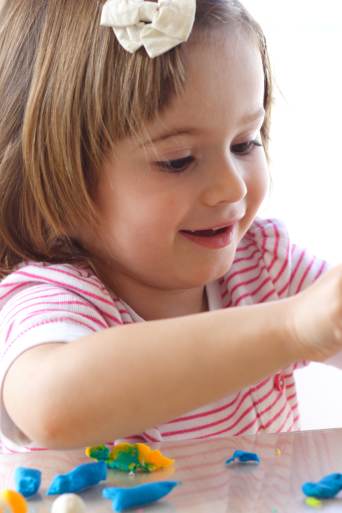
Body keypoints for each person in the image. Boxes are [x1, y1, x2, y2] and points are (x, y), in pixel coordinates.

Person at [0, 0, 341, 454]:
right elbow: (52, 407)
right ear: (57, 182)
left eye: (245, 143)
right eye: (177, 161)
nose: (230, 188)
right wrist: (290, 330)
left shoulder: (263, 266)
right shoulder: (54, 301)